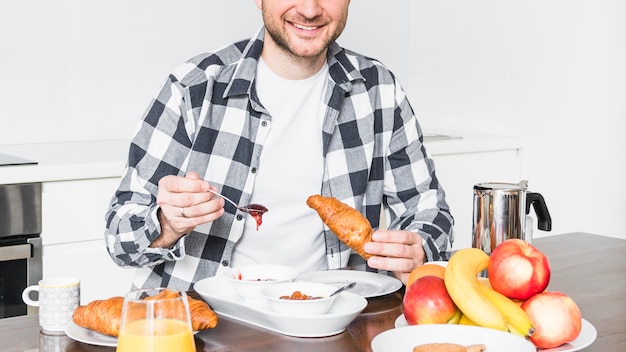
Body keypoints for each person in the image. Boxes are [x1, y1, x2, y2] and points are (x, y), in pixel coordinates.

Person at [105, 0, 454, 292]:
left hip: (333, 322)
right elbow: (119, 238)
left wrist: (419, 248)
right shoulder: (194, 88)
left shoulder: (379, 90)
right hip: (206, 326)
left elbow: (429, 210)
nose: (309, 9)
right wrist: (168, 224)